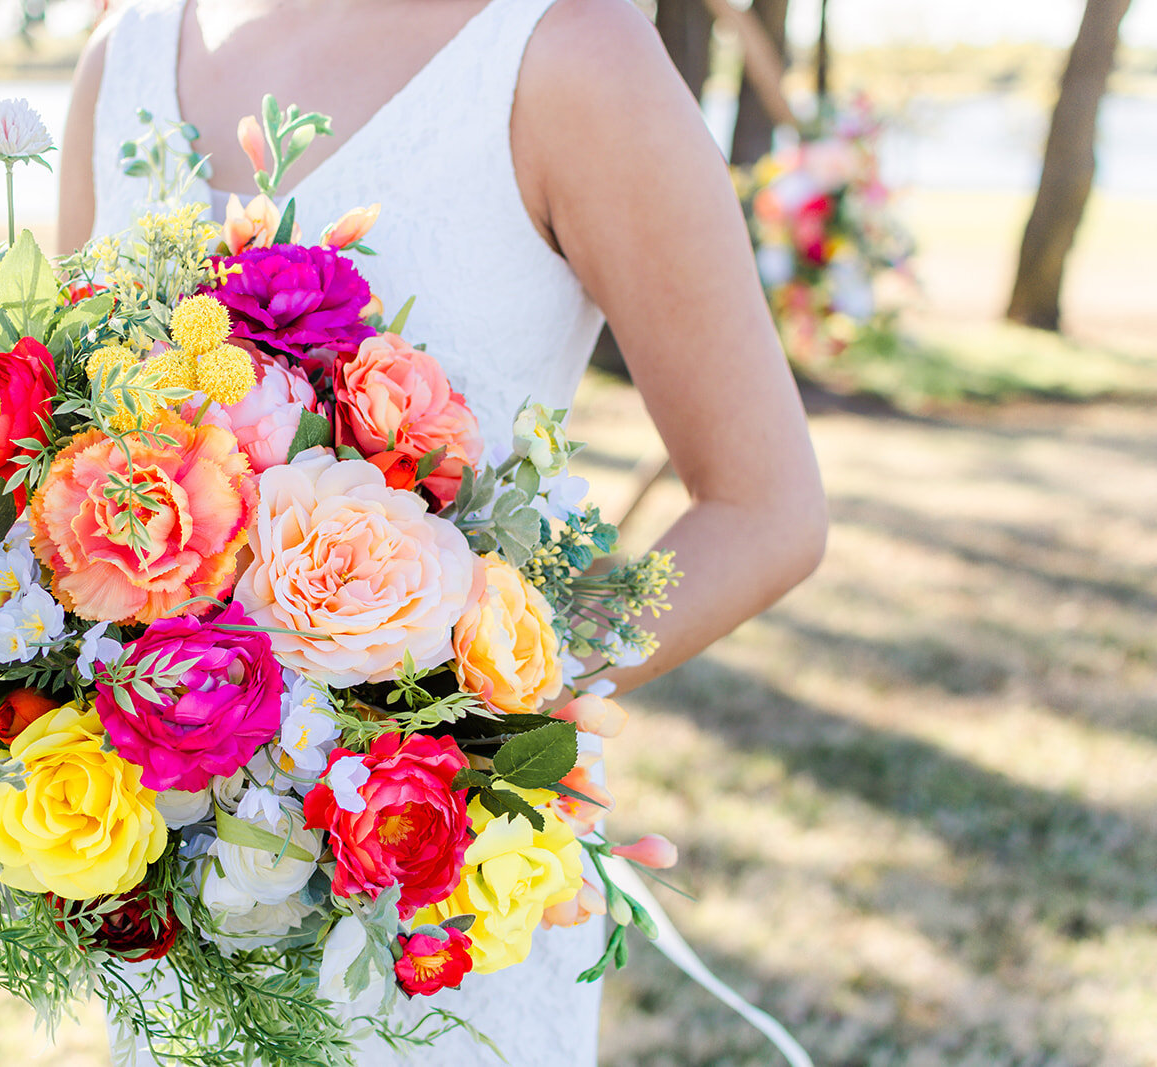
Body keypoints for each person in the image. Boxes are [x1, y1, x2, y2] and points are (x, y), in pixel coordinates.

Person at [57, 0, 828, 1061]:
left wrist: (462, 709)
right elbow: (66, 441)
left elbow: (764, 506)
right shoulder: (126, 51)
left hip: (435, 900)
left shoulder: (566, 51)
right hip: (181, 906)